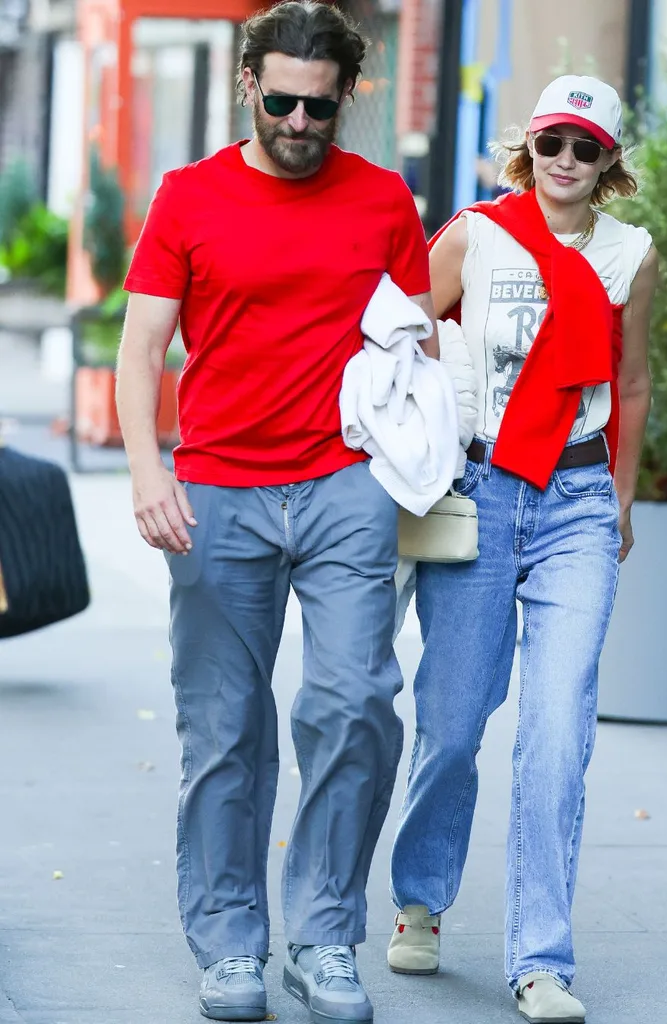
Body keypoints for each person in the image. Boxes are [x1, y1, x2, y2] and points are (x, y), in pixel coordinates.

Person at [115, 3, 436, 1021]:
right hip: (215, 487)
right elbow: (139, 352)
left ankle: (327, 934)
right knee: (226, 729)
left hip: (346, 484)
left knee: (353, 706)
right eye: (283, 100)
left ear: (349, 94)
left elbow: (413, 347)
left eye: (320, 105)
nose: (300, 122)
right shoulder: (189, 196)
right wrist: (145, 472)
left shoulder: (385, 200)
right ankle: (230, 943)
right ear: (249, 83)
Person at [387, 75, 658, 1023]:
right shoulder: (475, 232)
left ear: (609, 161)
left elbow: (633, 377)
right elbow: (397, 336)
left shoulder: (632, 253)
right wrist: (431, 427)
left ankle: (540, 960)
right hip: (479, 487)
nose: (566, 163)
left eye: (586, 148)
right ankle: (419, 900)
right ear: (528, 146)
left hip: (578, 498)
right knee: (454, 723)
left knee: (556, 733)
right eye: (552, 142)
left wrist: (620, 498)